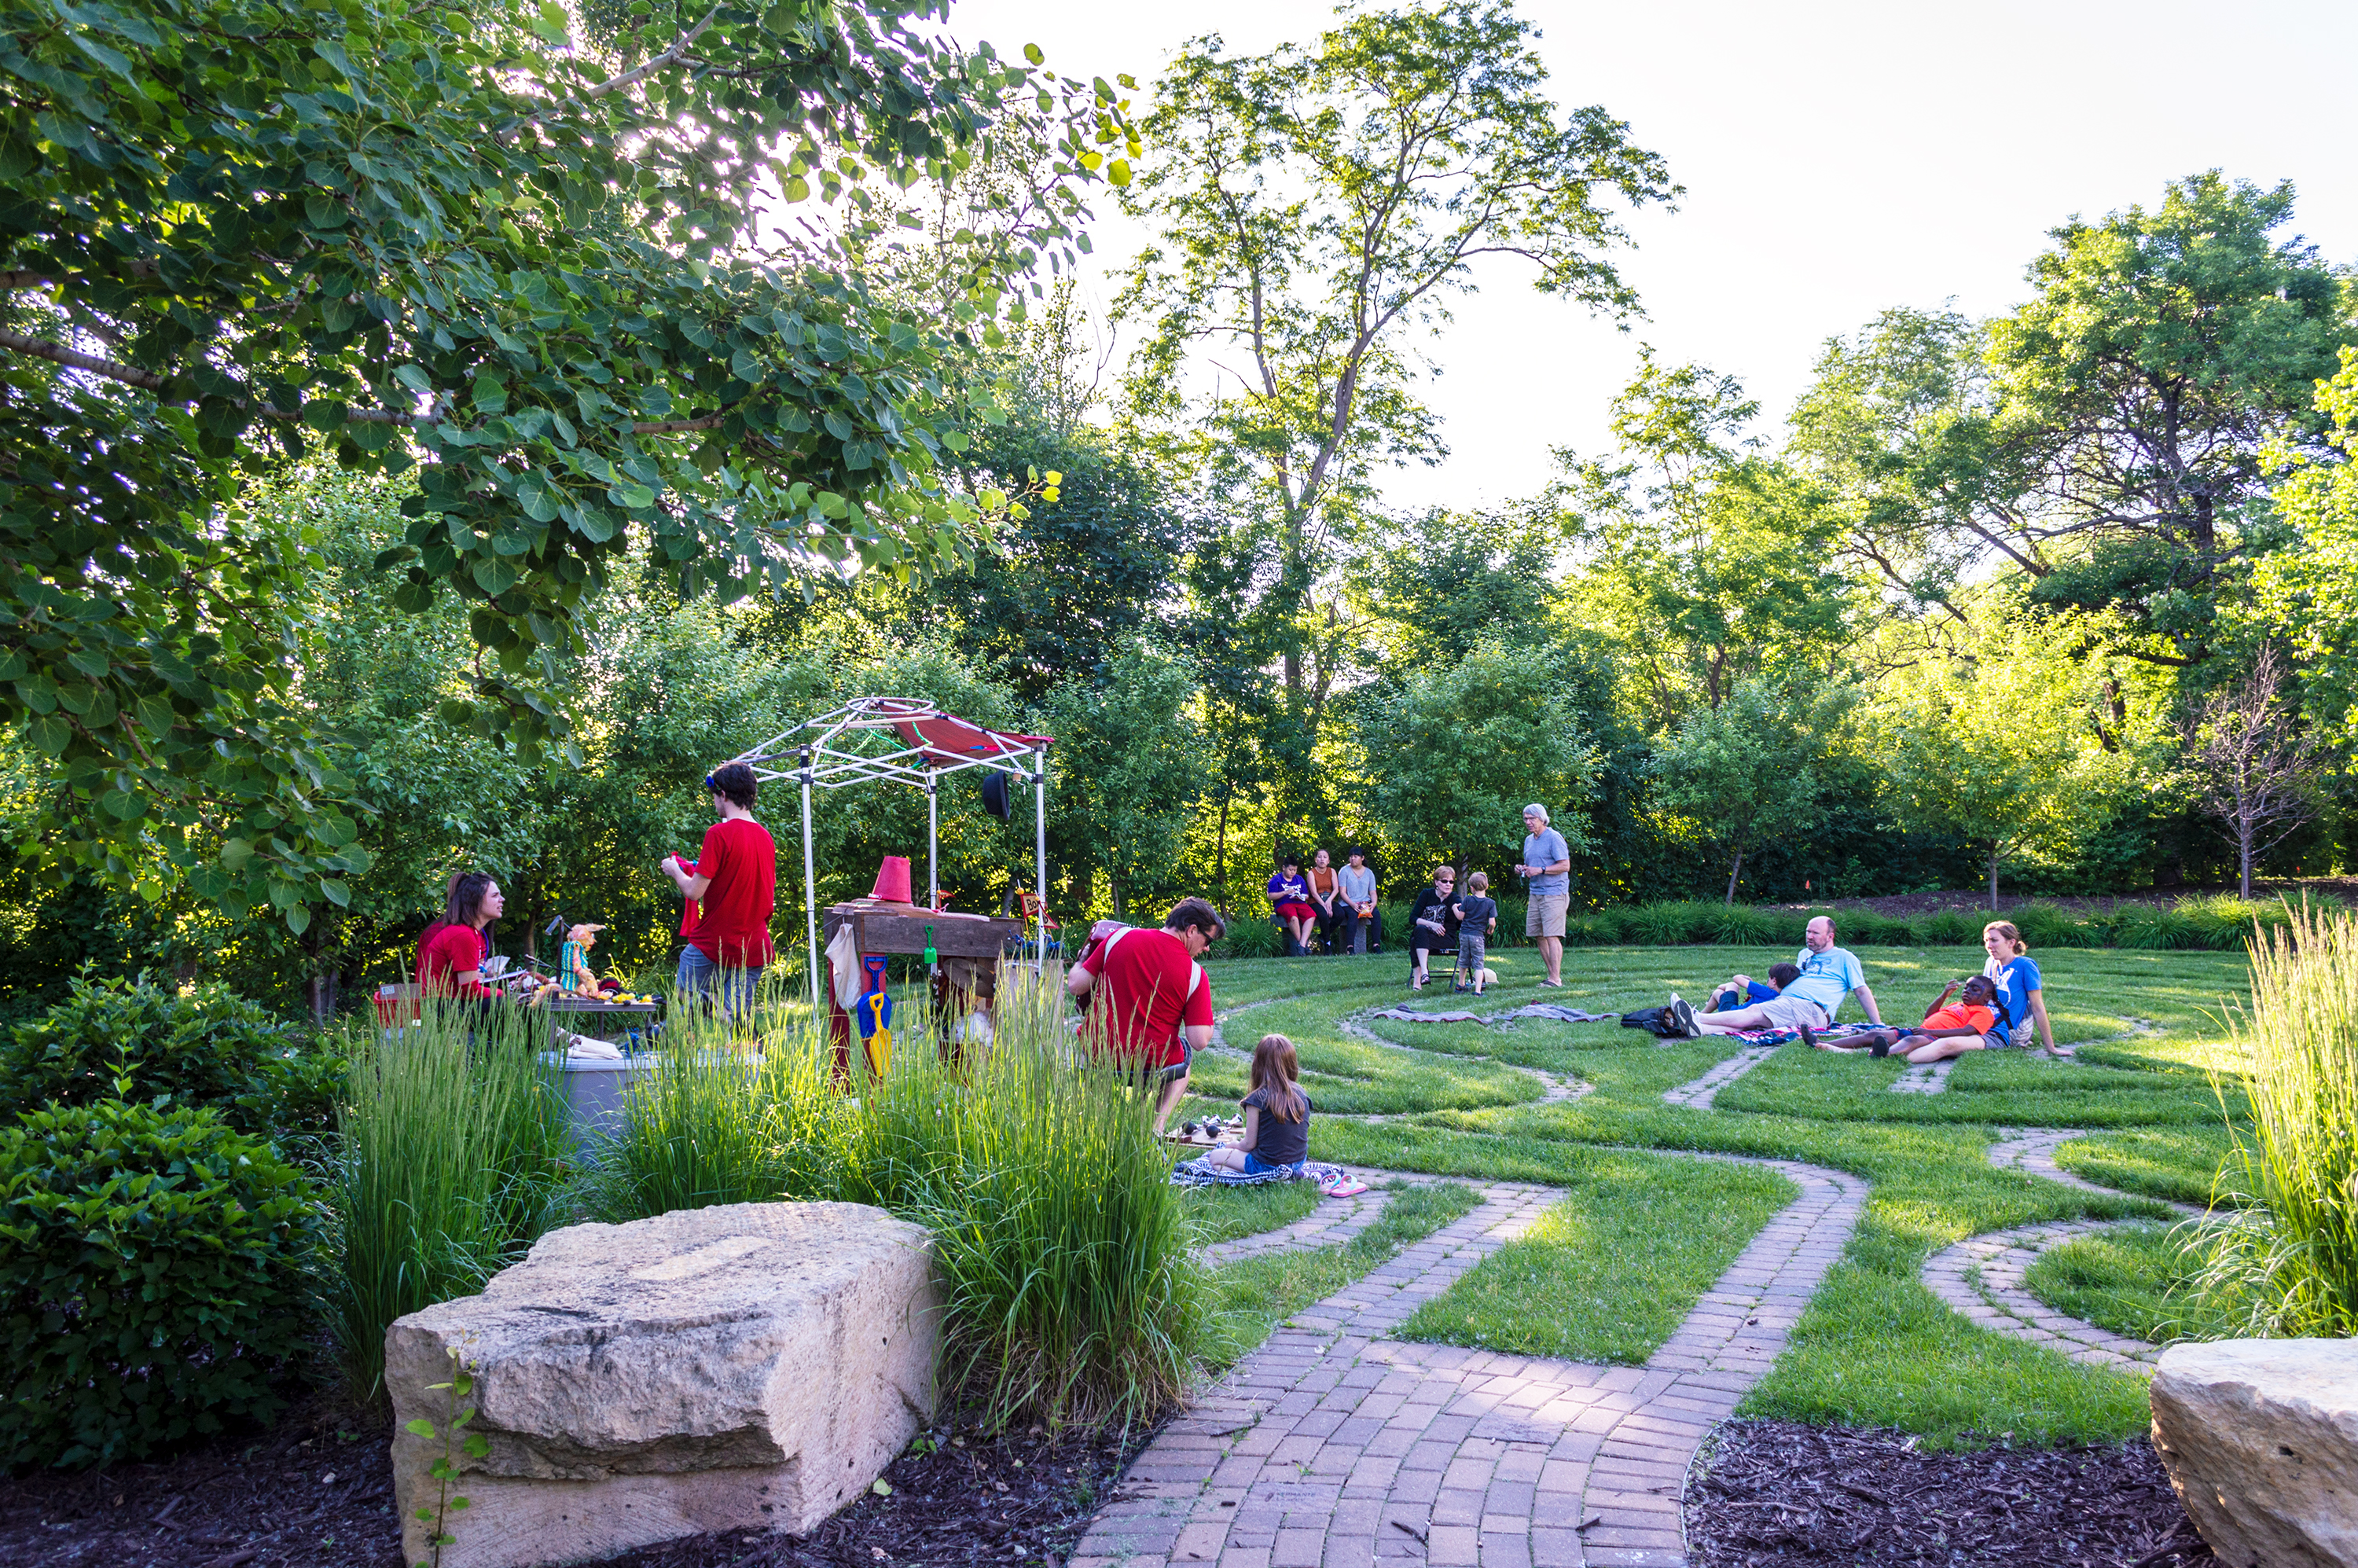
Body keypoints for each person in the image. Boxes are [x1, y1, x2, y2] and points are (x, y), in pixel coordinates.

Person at [1067, 897, 1224, 1134]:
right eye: (1208, 940)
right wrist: (1210, 1023)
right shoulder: (1194, 973)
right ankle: (1154, 1129)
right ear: (1192, 930)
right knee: (1185, 1058)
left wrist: (1080, 961)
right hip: (1152, 1062)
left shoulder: (1118, 938)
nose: (1207, 948)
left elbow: (1076, 986)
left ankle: (1100, 1130)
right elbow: (1199, 1040)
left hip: (1099, 1054)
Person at [660, 762, 777, 1020]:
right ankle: (750, 1047)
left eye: (714, 797)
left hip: (715, 940)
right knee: (736, 1020)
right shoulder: (765, 837)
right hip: (753, 944)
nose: (714, 803)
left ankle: (705, 1006)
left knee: (682, 995)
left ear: (723, 794)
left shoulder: (718, 834)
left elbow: (693, 892)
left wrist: (674, 870)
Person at [1668, 916, 1884, 1037]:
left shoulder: (1844, 958)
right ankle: (1699, 1029)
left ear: (1830, 936)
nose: (1809, 936)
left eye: (1815, 933)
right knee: (1748, 1023)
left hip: (1811, 1008)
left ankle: (1695, 1017)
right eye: (1808, 931)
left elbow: (1861, 990)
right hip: (1786, 1003)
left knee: (1753, 1013)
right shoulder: (1804, 955)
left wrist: (1878, 1025)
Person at [1814, 974, 2001, 1059]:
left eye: (1975, 990)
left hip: (1933, 1037)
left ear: (1987, 998)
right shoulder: (1957, 1005)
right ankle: (1822, 1043)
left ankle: (1883, 1055)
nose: (1967, 991)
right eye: (1966, 987)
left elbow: (1967, 1032)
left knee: (1911, 1040)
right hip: (1923, 1030)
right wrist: (1944, 996)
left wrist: (1928, 1031)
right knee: (1875, 1034)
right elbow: (1929, 1015)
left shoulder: (1983, 1012)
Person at [1206, 1033, 1313, 1178]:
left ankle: (1253, 1179)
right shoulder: (1301, 1094)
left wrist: (1235, 1144)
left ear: (1258, 1064)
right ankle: (1280, 1175)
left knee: (1215, 1157)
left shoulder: (1257, 1099)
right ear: (1291, 1063)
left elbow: (1249, 1144)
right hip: (1298, 1162)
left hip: (1267, 1164)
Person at [1982, 920, 2071, 1057]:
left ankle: (2021, 1038)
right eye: (1986, 940)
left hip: (2009, 1030)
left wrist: (2051, 1049)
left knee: (1953, 1043)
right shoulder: (1990, 962)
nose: (1989, 945)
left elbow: (2037, 1007)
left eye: (1994, 940)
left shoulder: (2025, 965)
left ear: (2011, 943)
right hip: (1989, 1024)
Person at [417, 872, 504, 1001]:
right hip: (442, 1005)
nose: (502, 899)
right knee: (508, 1004)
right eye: (495, 895)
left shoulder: (470, 933)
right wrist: (502, 993)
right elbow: (470, 991)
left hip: (450, 1001)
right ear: (476, 900)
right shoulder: (463, 935)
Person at [1515, 804, 1570, 987]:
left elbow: (1565, 866)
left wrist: (1541, 870)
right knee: (1538, 935)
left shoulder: (1554, 838)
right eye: (1526, 819)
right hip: (1535, 893)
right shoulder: (1529, 840)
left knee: (1552, 935)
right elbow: (1533, 865)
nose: (1528, 822)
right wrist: (1523, 869)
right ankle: (1551, 975)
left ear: (1542, 818)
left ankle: (1556, 978)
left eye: (1532, 819)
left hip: (1554, 893)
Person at [1407, 865, 1459, 991]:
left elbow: (1461, 913)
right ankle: (1424, 973)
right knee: (1419, 931)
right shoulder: (1427, 894)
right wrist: (1432, 924)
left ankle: (1419, 981)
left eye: (1451, 882)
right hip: (1425, 936)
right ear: (1436, 882)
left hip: (1446, 938)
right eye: (1444, 881)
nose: (1448, 884)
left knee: (1415, 940)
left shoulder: (1454, 898)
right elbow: (1412, 918)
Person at [1452, 872, 1499, 994]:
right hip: (1477, 936)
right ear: (1487, 886)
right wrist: (1491, 929)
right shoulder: (1490, 903)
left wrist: (1454, 909)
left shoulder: (1467, 899)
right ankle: (1478, 991)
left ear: (1472, 888)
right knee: (1478, 963)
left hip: (1464, 934)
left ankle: (1460, 985)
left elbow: (1460, 917)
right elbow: (1492, 922)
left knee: (1464, 960)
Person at [1266, 854, 1317, 956]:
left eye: (1295, 870)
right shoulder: (1276, 879)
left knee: (1311, 915)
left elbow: (1306, 895)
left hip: (1299, 902)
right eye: (1290, 870)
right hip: (1283, 904)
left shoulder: (1299, 879)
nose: (1293, 872)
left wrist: (1300, 896)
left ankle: (1302, 945)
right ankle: (1301, 944)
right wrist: (1285, 893)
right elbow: (1270, 896)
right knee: (1293, 918)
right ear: (1284, 868)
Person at [1707, 961, 1802, 1015]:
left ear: (1774, 981)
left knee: (1730, 987)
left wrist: (1746, 978)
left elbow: (1736, 979)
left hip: (1731, 1013)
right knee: (1721, 993)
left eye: (1770, 977)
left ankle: (1701, 1014)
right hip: (1748, 1019)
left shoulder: (1764, 991)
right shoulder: (1783, 997)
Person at [1337, 846, 1382, 955]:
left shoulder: (1369, 873)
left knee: (1376, 915)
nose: (1353, 859)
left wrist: (1374, 903)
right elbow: (1342, 892)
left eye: (1356, 856)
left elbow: (1372, 892)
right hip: (1348, 903)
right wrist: (1352, 904)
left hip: (1365, 902)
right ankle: (1350, 948)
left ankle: (1376, 946)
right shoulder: (1344, 871)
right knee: (1353, 915)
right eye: (1351, 856)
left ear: (1362, 858)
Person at [1306, 848, 1346, 954]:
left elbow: (1336, 889)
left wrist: (1328, 902)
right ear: (1315, 860)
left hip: (1329, 898)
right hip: (1315, 901)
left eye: (1325, 857)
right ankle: (1327, 945)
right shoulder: (1311, 873)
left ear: (1328, 860)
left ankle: (1323, 936)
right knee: (1324, 915)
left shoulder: (1331, 871)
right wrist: (1324, 905)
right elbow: (1314, 893)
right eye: (1319, 857)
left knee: (1340, 914)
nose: (1322, 859)